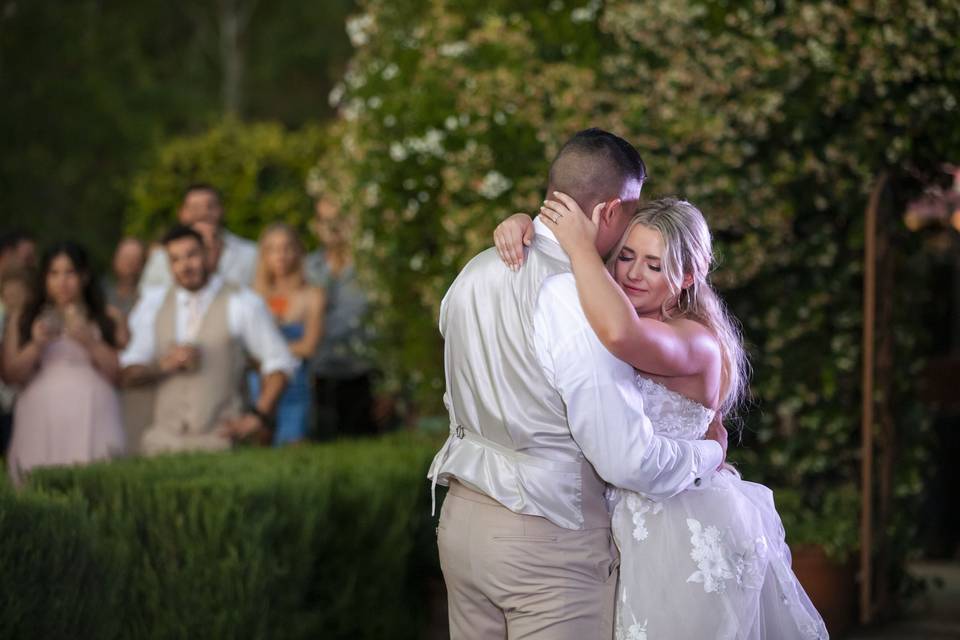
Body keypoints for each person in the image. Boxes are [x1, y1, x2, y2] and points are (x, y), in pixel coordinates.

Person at [427, 128, 728, 639]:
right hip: (546, 539)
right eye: (631, 211)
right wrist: (709, 454)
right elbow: (624, 458)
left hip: (461, 523)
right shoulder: (581, 301)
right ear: (610, 211)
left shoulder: (475, 271)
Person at [494, 195, 828, 638]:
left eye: (654, 265)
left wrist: (579, 249)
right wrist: (527, 226)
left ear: (688, 277)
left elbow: (622, 333)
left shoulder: (695, 341)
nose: (632, 274)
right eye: (626, 256)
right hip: (616, 527)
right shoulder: (612, 307)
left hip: (680, 531)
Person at [120, 225, 296, 454]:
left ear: (207, 254)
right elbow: (129, 372)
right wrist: (163, 366)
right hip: (162, 443)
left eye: (191, 255)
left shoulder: (241, 301)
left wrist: (258, 416)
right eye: (175, 259)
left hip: (221, 441)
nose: (185, 266)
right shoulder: (154, 304)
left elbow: (280, 362)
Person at [3, 242, 126, 485]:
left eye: (69, 273)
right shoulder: (25, 316)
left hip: (96, 412)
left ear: (84, 276)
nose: (62, 282)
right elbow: (11, 374)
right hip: (40, 413)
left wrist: (88, 341)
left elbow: (119, 373)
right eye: (54, 273)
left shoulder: (108, 316)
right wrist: (36, 345)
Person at [306, 195, 378, 438]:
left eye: (339, 219)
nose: (333, 227)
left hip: (366, 378)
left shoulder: (374, 267)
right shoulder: (307, 268)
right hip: (317, 379)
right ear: (315, 225)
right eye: (325, 220)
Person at [251, 223, 325, 445]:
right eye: (272, 249)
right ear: (264, 255)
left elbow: (309, 346)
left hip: (296, 386)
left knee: (292, 448)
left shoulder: (313, 295)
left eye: (286, 248)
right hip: (257, 383)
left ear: (298, 251)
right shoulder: (253, 296)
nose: (280, 256)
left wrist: (268, 348)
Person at [138, 184, 257, 291]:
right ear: (182, 213)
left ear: (221, 210)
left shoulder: (250, 253)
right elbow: (148, 297)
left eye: (210, 206)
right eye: (194, 208)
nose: (203, 213)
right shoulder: (161, 256)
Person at [103, 237, 147, 319]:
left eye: (135, 259)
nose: (129, 263)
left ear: (142, 265)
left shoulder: (148, 299)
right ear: (114, 260)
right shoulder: (100, 295)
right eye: (125, 257)